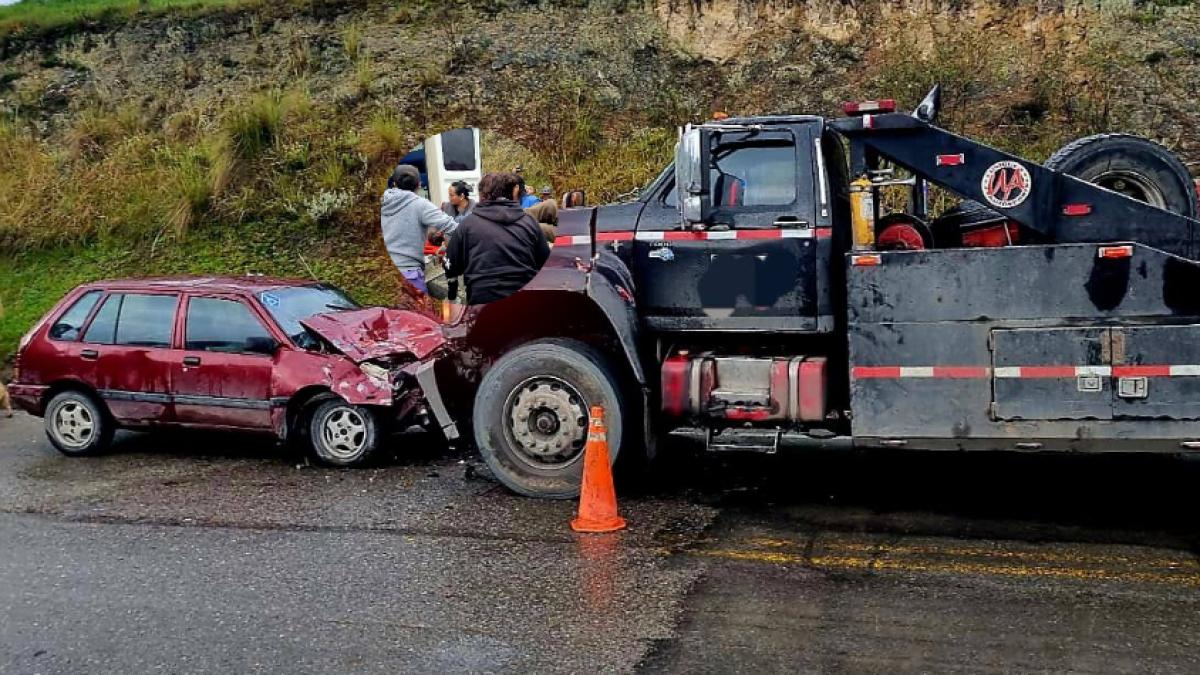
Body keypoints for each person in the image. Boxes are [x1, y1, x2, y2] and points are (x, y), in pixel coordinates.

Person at [446, 172, 550, 305]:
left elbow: (451, 265)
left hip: (482, 302)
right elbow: (545, 262)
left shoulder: (467, 225)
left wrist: (452, 293)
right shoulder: (529, 222)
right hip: (524, 301)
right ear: (513, 193)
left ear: (481, 195)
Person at [380, 164, 458, 295]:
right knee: (418, 314)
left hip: (384, 274)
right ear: (419, 185)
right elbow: (452, 227)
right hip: (409, 274)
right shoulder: (420, 204)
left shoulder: (381, 202)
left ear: (393, 183)